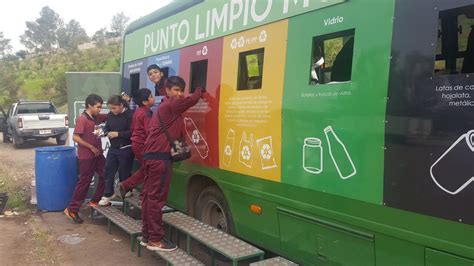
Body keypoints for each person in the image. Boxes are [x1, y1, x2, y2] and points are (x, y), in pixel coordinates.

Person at [141, 76, 204, 251]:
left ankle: (147, 236)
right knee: (156, 200)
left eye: (181, 90)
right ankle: (155, 240)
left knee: (148, 198)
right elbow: (192, 99)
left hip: (150, 156)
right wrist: (200, 88)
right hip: (160, 159)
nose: (180, 94)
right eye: (176, 90)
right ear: (167, 91)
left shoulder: (163, 106)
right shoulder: (171, 105)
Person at [64, 94, 107, 224]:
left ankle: (95, 201)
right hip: (87, 156)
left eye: (101, 107)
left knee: (106, 174)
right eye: (98, 107)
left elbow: (111, 114)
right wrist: (91, 147)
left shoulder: (96, 117)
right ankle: (72, 209)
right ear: (89, 105)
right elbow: (75, 137)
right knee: (85, 182)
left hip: (97, 155)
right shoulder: (82, 119)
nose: (100, 109)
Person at [117, 88, 155, 198]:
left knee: (146, 168)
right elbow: (149, 131)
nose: (153, 98)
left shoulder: (138, 111)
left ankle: (127, 185)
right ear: (145, 102)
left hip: (136, 144)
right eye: (151, 96)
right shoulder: (147, 113)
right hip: (143, 145)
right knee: (149, 170)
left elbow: (133, 127)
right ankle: (140, 192)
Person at [98, 95, 134, 206]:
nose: (112, 111)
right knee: (108, 170)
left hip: (126, 148)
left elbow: (133, 132)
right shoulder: (110, 115)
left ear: (121, 105)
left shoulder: (130, 115)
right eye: (110, 109)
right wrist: (103, 131)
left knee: (124, 172)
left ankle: (127, 190)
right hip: (113, 148)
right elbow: (107, 127)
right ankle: (108, 193)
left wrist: (118, 134)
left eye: (114, 108)